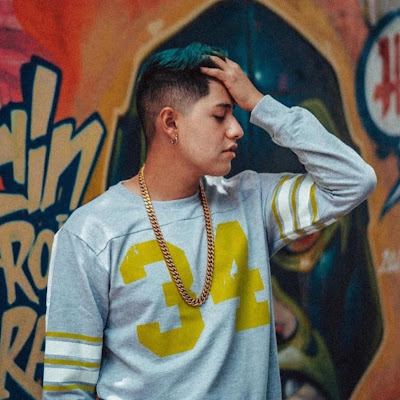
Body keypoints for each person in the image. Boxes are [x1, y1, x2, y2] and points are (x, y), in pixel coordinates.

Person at [43, 42, 376, 399]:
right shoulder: (91, 234)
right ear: (170, 122)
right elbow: (67, 391)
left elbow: (354, 180)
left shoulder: (252, 202)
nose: (237, 129)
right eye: (220, 116)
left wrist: (261, 104)